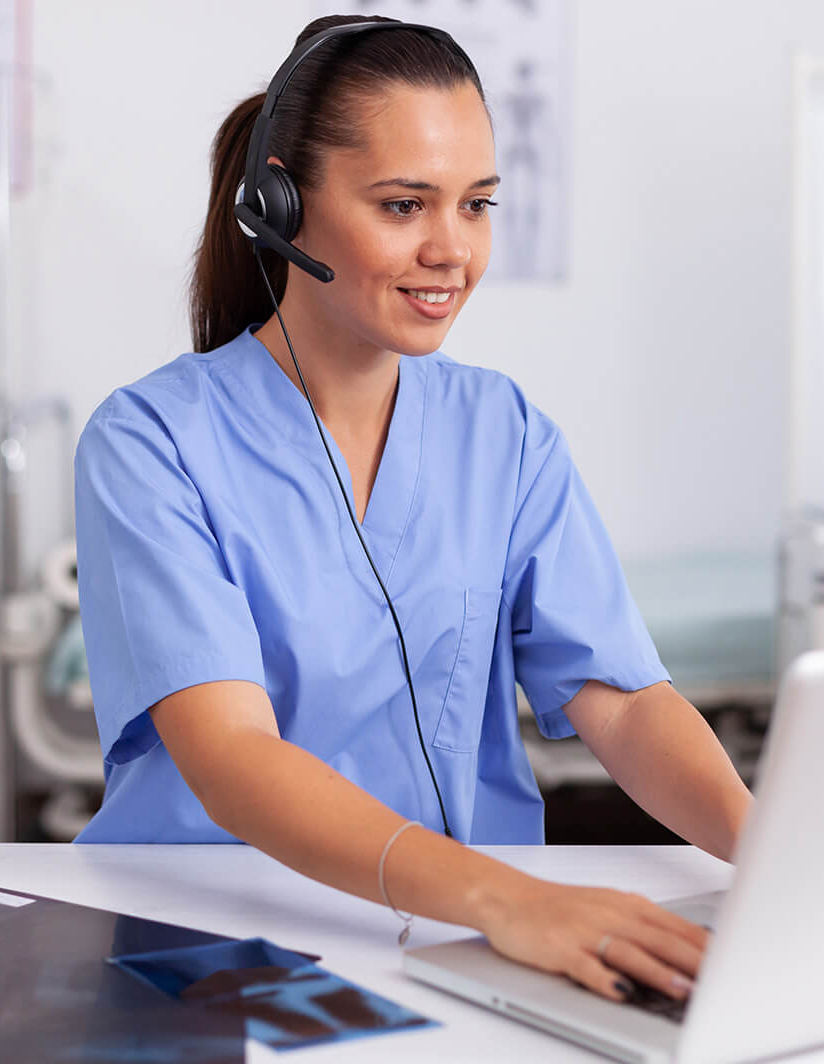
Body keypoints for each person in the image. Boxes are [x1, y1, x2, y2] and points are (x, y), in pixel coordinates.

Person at [73, 14, 753, 1007]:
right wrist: (506, 896)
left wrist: (774, 858)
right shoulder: (150, 442)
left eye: (477, 205)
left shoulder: (505, 431)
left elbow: (625, 699)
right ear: (281, 204)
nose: (452, 249)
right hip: (215, 931)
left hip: (467, 936)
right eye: (404, 205)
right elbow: (231, 755)